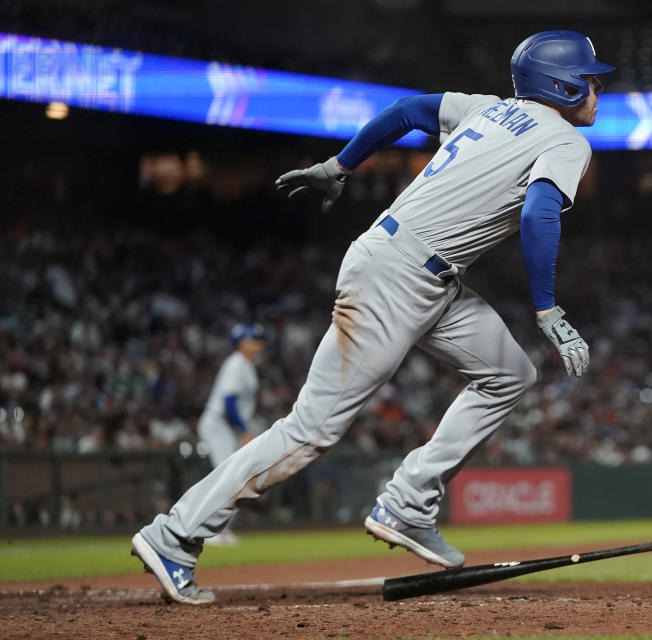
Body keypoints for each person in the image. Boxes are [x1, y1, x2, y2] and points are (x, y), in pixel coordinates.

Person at [131, 29, 613, 605]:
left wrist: (342, 164)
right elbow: (539, 214)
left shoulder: (489, 109)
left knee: (510, 373)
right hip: (398, 276)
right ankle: (176, 535)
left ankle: (408, 503)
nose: (596, 88)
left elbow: (408, 110)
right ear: (559, 86)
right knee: (309, 430)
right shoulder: (565, 140)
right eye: (588, 79)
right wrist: (547, 306)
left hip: (424, 274)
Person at [198, 323, 266, 545]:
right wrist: (243, 430)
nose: (258, 344)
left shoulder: (246, 365)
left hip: (227, 427)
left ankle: (220, 530)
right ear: (242, 343)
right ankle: (209, 531)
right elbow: (229, 401)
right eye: (252, 340)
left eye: (258, 340)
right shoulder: (237, 364)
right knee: (228, 477)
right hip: (219, 425)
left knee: (235, 478)